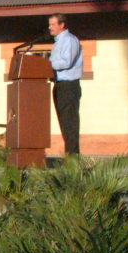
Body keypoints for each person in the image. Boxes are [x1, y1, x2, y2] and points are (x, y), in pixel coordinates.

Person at [48, 13, 83, 156]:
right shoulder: (58, 42)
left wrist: (48, 65)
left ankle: (73, 159)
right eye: (49, 24)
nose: (50, 27)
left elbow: (67, 62)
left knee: (70, 123)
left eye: (53, 24)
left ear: (62, 25)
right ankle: (69, 157)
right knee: (64, 123)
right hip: (59, 84)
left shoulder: (69, 40)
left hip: (69, 85)